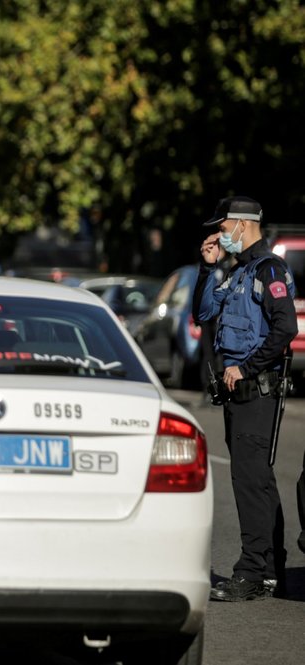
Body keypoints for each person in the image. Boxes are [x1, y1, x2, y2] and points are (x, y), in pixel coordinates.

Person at [193, 196, 297, 601]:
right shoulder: (237, 272)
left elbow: (285, 327)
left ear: (241, 224)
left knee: (249, 483)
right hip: (239, 393)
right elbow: (203, 314)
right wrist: (207, 268)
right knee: (259, 483)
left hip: (257, 390)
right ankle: (272, 568)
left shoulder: (270, 269)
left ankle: (251, 572)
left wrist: (248, 367)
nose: (218, 234)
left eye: (222, 227)